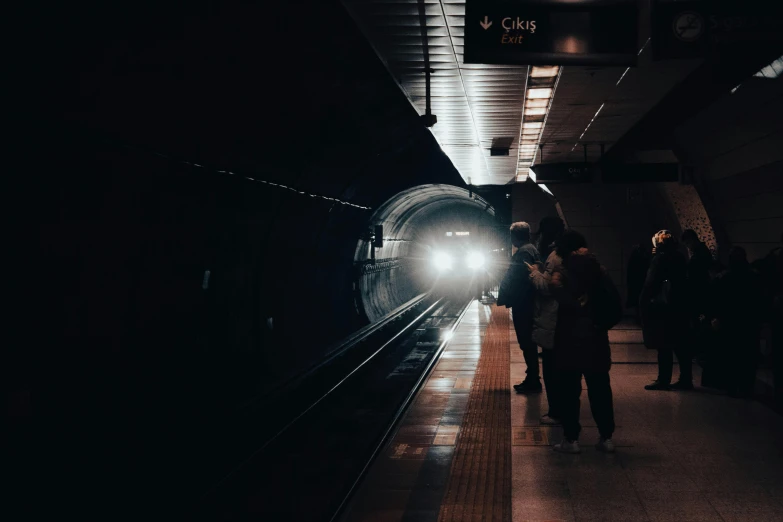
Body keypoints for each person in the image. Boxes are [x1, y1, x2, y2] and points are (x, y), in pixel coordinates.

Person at [549, 232, 622, 454]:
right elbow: (615, 305)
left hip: (569, 339)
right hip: (596, 338)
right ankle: (606, 437)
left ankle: (571, 440)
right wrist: (600, 325)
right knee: (600, 389)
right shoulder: (599, 270)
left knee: (570, 391)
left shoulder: (560, 274)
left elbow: (560, 300)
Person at [708, 247, 765, 398]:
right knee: (749, 356)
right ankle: (747, 387)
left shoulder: (724, 278)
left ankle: (732, 386)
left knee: (731, 355)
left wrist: (715, 318)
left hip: (729, 322)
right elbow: (761, 301)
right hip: (749, 323)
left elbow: (716, 301)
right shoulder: (755, 276)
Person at [641, 230, 691, 391]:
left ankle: (663, 379)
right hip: (680, 305)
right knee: (681, 344)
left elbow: (650, 283)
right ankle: (686, 378)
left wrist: (643, 302)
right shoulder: (680, 257)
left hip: (662, 307)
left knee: (663, 345)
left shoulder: (659, 259)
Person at [529, 218, 567, 424]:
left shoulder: (554, 256)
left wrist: (534, 273)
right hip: (566, 319)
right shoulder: (570, 254)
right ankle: (565, 409)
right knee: (565, 368)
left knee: (552, 368)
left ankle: (556, 411)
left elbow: (547, 287)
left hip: (553, 318)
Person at [497, 222, 542, 393]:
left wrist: (509, 295)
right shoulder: (531, 249)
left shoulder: (524, 252)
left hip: (523, 304)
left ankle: (533, 380)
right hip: (526, 302)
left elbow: (521, 279)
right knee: (528, 342)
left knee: (526, 342)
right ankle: (532, 377)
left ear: (515, 236)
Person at [681, 229, 713, 361]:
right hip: (701, 292)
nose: (688, 247)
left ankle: (698, 348)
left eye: (688, 243)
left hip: (698, 293)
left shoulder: (699, 255)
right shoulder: (703, 252)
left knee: (697, 322)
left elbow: (695, 275)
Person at [626, 243, 651, 325]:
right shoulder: (645, 258)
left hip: (636, 283)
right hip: (642, 282)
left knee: (637, 302)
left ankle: (639, 319)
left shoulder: (635, 258)